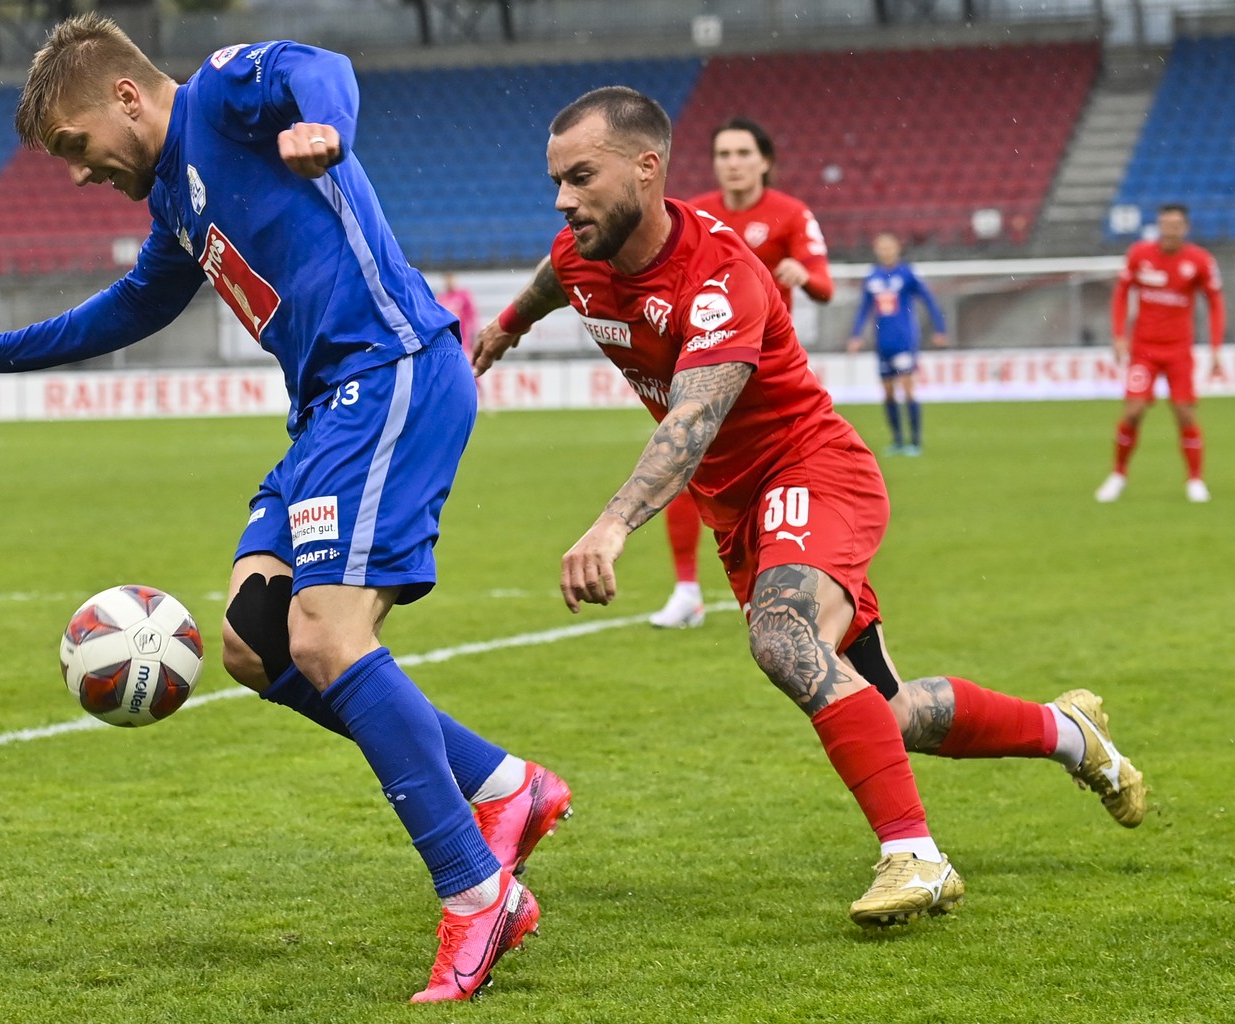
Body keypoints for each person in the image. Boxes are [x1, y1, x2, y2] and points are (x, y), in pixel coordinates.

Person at [0, 15, 568, 1002]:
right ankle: (501, 786)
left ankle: (478, 894)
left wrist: (324, 126)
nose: (79, 171)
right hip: (324, 415)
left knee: (327, 635)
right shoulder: (179, 200)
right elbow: (135, 305)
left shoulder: (223, 98)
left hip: (389, 371)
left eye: (74, 146)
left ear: (127, 99)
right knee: (256, 641)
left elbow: (322, 67)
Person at [475, 86, 1146, 928]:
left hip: (811, 470)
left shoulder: (717, 276)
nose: (563, 200)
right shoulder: (581, 250)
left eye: (580, 177)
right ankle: (1072, 735)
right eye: (555, 182)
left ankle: (917, 857)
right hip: (740, 513)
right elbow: (553, 275)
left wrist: (611, 524)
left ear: (647, 169)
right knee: (893, 713)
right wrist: (507, 326)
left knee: (782, 634)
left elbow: (693, 420)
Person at [648, 116, 833, 630]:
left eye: (743, 153)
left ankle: (793, 581)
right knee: (681, 466)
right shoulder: (695, 214)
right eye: (723, 154)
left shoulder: (790, 214)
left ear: (765, 161)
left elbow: (825, 285)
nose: (732, 163)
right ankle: (686, 589)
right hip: (706, 367)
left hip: (768, 380)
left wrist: (805, 276)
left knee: (777, 482)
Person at [1096, 203, 1226, 503]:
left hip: (1179, 351)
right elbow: (1120, 294)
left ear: (1186, 228)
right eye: (1166, 224)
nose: (1170, 230)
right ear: (1159, 226)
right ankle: (1118, 474)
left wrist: (1216, 347)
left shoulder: (1199, 261)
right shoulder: (1140, 255)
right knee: (1133, 411)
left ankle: (1194, 480)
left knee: (1184, 414)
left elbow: (1216, 304)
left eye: (1176, 225)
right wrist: (1119, 336)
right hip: (1144, 350)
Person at [847, 231, 948, 456]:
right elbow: (864, 308)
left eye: (889, 247)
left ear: (897, 248)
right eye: (881, 247)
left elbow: (929, 300)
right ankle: (898, 441)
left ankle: (915, 442)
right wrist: (856, 335)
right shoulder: (872, 276)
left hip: (905, 340)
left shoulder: (908, 273)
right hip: (883, 342)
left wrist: (940, 328)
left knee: (908, 389)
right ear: (876, 250)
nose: (885, 251)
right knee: (888, 392)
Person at [436, 273, 479, 360]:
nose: (449, 282)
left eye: (450, 278)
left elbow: (472, 315)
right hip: (448, 339)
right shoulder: (441, 298)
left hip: (464, 338)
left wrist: (474, 332)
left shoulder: (463, 295)